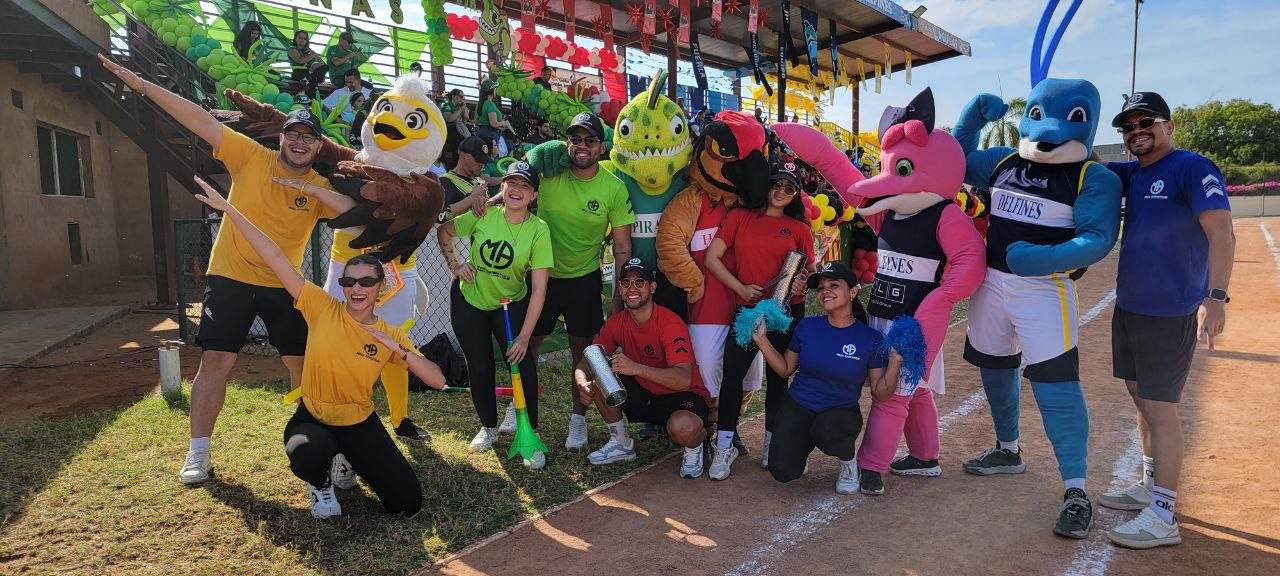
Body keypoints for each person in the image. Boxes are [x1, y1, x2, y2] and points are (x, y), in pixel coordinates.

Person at [98, 54, 341, 485]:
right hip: (229, 276)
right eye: (293, 134)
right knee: (215, 360)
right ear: (281, 138)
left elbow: (356, 211)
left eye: (309, 137)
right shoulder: (251, 156)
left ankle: (323, 448)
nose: (300, 142)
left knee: (304, 365)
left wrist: (311, 189)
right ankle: (199, 453)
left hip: (285, 284)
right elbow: (199, 119)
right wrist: (142, 85)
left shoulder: (320, 187)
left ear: (319, 146)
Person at [190, 176, 445, 519]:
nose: (357, 289)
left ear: (380, 286)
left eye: (366, 281)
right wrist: (229, 210)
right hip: (314, 418)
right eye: (349, 281)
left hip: (359, 421)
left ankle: (349, 458)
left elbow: (437, 380)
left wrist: (399, 351)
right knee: (307, 453)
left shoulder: (389, 334)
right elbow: (274, 255)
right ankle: (320, 483)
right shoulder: (321, 307)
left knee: (407, 503)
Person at [1099, 92, 1234, 549]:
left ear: (1168, 126)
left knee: (1161, 410)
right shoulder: (1131, 173)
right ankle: (1149, 483)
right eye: (1128, 127)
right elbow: (1082, 163)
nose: (1136, 132)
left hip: (1169, 311)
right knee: (1142, 401)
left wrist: (1216, 298)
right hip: (1130, 307)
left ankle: (1163, 515)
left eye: (1146, 123)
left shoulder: (1192, 168)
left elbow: (1222, 232)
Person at [507, 112, 635, 451]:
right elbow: (514, 185)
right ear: (566, 143)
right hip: (541, 277)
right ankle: (519, 410)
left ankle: (578, 420)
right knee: (526, 346)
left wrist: (618, 296)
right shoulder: (549, 174)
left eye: (590, 140)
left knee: (584, 354)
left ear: (602, 147)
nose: (582, 146)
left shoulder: (613, 187)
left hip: (584, 280)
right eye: (575, 139)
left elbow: (623, 247)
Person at [702, 159, 816, 480]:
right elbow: (712, 258)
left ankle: (771, 444)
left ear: (795, 194)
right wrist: (739, 287)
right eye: (776, 184)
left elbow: (812, 273)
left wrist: (803, 283)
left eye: (789, 188)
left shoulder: (800, 229)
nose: (781, 191)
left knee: (779, 380)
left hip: (786, 313)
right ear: (767, 186)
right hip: (747, 312)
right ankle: (724, 446)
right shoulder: (740, 217)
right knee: (732, 377)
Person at [437, 162, 553, 468]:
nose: (516, 190)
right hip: (469, 300)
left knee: (522, 364)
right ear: (502, 187)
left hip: (509, 304)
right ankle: (488, 427)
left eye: (524, 186)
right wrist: (455, 265)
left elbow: (539, 289)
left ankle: (530, 433)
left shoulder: (538, 230)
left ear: (533, 195)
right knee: (480, 367)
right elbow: (444, 231)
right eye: (511, 183)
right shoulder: (484, 214)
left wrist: (525, 337)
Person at [755, 262, 901, 492]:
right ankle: (801, 447)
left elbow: (880, 393)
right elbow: (785, 369)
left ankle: (848, 463)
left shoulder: (869, 338)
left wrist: (895, 362)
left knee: (827, 430)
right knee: (782, 470)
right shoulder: (807, 326)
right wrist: (762, 340)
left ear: (853, 292)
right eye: (821, 288)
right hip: (799, 405)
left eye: (834, 285)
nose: (825, 291)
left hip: (839, 413)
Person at [575, 258, 712, 477]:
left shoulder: (670, 323)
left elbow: (684, 379)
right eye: (626, 282)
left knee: (683, 429)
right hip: (645, 393)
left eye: (640, 282)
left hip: (681, 395)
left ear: (652, 287)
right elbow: (588, 360)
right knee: (600, 375)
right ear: (620, 288)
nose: (632, 288)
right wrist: (582, 383)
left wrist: (637, 368)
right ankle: (620, 442)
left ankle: (699, 444)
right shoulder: (617, 322)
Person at [440, 136, 500, 216]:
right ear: (463, 156)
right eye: (478, 160)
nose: (482, 164)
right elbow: (440, 215)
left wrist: (500, 194)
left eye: (484, 160)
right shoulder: (445, 181)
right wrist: (472, 198)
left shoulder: (478, 180)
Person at [476, 79, 515, 157]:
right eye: (495, 89)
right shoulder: (489, 104)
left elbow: (476, 122)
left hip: (481, 133)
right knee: (492, 158)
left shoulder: (480, 104)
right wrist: (503, 123)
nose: (495, 91)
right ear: (492, 91)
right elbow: (494, 124)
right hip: (490, 135)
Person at [287, 30, 327, 100]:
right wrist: (313, 55)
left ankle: (309, 78)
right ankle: (314, 101)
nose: (302, 40)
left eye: (305, 38)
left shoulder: (309, 51)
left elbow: (323, 64)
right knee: (313, 81)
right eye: (300, 37)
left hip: (309, 74)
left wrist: (312, 53)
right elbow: (301, 61)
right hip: (299, 72)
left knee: (326, 67)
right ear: (295, 38)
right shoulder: (292, 49)